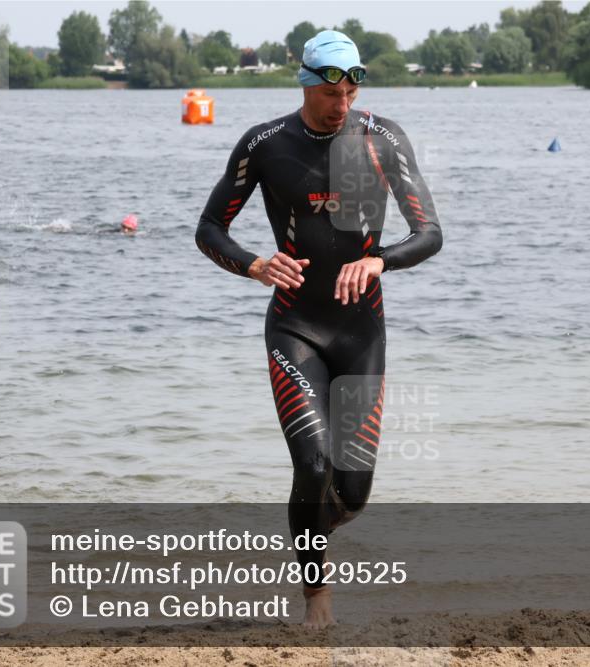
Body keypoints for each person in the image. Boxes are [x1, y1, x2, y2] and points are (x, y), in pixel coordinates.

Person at [195, 30, 442, 628]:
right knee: (311, 466)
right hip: (295, 328)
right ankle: (317, 594)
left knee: (351, 493)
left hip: (361, 333)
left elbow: (429, 232)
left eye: (353, 87)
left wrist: (380, 259)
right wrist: (253, 263)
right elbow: (209, 228)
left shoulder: (381, 140)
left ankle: (304, 530)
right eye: (333, 89)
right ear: (308, 82)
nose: (344, 101)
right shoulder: (266, 143)